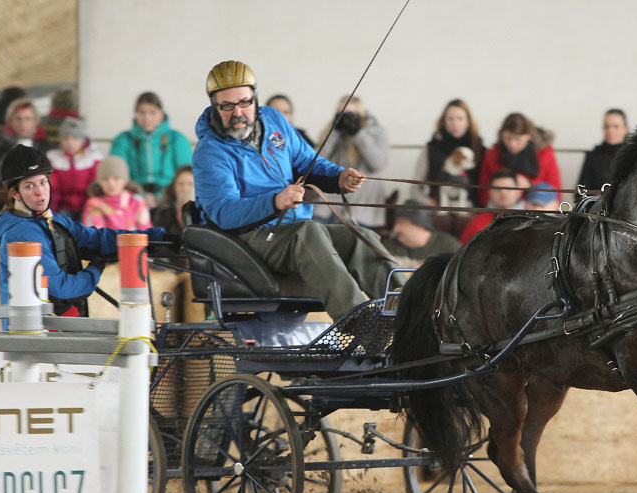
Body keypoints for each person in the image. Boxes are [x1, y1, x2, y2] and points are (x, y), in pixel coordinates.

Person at [191, 60, 400, 321]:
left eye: (245, 102)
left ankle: (407, 313)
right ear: (214, 106)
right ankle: (360, 324)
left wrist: (338, 177)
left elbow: (307, 162)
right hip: (247, 239)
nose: (238, 112)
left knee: (360, 237)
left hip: (291, 231)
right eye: (227, 106)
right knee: (307, 233)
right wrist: (275, 201)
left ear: (255, 99)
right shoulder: (210, 152)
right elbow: (224, 212)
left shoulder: (274, 120)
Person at [0, 145, 166, 317]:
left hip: (60, 325)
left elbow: (95, 238)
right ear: (15, 194)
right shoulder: (22, 233)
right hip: (41, 331)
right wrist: (96, 267)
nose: (40, 192)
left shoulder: (53, 220)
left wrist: (154, 238)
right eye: (29, 186)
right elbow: (62, 289)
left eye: (43, 182)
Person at [312, 95, 390, 227]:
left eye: (351, 114)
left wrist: (357, 133)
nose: (346, 119)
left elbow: (378, 164)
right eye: (342, 114)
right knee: (315, 229)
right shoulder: (332, 132)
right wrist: (334, 131)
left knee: (348, 233)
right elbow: (316, 162)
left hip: (361, 202)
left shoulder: (375, 131)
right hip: (330, 199)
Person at [110, 92, 193, 208]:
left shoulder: (177, 139)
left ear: (161, 114)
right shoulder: (123, 140)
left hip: (170, 198)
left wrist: (164, 196)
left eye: (152, 112)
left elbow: (186, 175)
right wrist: (140, 195)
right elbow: (116, 174)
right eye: (142, 113)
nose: (147, 118)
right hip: (133, 198)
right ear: (135, 115)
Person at [410, 99, 485, 208]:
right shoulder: (431, 148)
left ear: (468, 122)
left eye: (460, 118)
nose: (455, 123)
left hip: (470, 208)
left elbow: (486, 188)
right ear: (443, 121)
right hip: (437, 207)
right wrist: (428, 202)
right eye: (450, 118)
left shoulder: (479, 149)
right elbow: (415, 188)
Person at [477, 113, 560, 207]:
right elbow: (483, 193)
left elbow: (556, 192)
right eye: (508, 138)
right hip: (501, 208)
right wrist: (501, 189)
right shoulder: (492, 155)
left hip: (536, 207)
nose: (512, 144)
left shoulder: (544, 154)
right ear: (501, 135)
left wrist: (530, 185)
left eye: (518, 139)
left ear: (528, 136)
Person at [0, 97, 50, 186]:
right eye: (18, 119)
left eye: (28, 119)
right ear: (10, 121)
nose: (22, 124)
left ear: (35, 121)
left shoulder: (43, 142)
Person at [47, 117, 102, 220]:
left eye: (75, 138)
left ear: (82, 140)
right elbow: (54, 189)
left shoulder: (92, 159)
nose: (70, 142)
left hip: (87, 205)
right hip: (64, 206)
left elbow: (95, 186)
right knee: (61, 224)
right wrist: (50, 211)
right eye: (65, 139)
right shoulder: (54, 159)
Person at [382, 200, 461, 268]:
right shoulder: (388, 247)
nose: (396, 229)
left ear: (420, 225)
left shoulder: (449, 246)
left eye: (401, 223)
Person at [83, 156, 151, 230]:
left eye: (116, 178)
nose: (111, 184)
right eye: (105, 179)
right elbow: (94, 232)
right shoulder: (94, 204)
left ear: (125, 180)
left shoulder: (137, 202)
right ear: (99, 182)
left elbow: (145, 229)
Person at [460, 169, 523, 244]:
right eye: (497, 189)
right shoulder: (477, 223)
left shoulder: (532, 219)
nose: (503, 193)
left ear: (518, 191)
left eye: (508, 189)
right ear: (490, 192)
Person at [577, 108, 628, 191]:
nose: (610, 131)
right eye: (607, 126)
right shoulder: (593, 157)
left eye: (616, 126)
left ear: (625, 129)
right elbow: (581, 191)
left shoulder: (634, 156)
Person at [150, 165, 194, 236]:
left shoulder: (205, 213)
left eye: (190, 184)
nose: (184, 188)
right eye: (181, 184)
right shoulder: (162, 213)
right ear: (173, 186)